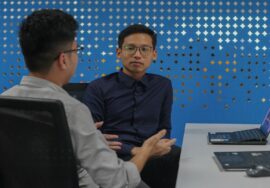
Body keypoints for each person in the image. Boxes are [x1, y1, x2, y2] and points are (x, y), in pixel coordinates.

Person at [1, 10, 176, 188]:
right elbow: (118, 181)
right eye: (76, 50)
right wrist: (145, 151)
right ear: (63, 59)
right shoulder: (73, 110)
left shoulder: (4, 101)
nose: (137, 55)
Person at [83, 24, 181, 188]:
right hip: (115, 156)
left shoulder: (163, 85)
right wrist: (134, 150)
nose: (137, 55)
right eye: (130, 48)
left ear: (154, 54)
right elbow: (93, 137)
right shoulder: (98, 87)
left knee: (185, 163)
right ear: (119, 52)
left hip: (154, 154)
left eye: (144, 49)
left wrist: (159, 146)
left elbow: (164, 129)